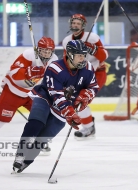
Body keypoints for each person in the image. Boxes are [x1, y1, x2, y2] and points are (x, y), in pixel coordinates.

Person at [11, 39, 99, 173]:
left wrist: (85, 96)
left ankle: (27, 161)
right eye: (80, 55)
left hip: (65, 106)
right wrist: (70, 113)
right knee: (36, 123)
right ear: (70, 54)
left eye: (84, 55)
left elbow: (94, 87)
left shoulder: (88, 68)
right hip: (46, 98)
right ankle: (21, 153)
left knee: (43, 139)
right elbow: (56, 95)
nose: (83, 58)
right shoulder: (55, 68)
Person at [0, 37, 58, 154]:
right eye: (44, 51)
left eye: (49, 51)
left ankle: (39, 142)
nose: (47, 54)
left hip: (32, 93)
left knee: (43, 118)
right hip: (13, 91)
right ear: (38, 50)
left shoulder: (54, 60)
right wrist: (30, 71)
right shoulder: (28, 55)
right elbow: (13, 73)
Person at [62, 14, 108, 140]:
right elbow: (66, 60)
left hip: (96, 74)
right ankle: (89, 127)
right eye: (74, 23)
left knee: (81, 101)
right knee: (76, 101)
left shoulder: (92, 38)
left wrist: (93, 49)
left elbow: (104, 56)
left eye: (78, 23)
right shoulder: (67, 40)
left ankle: (88, 128)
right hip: (79, 75)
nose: (75, 25)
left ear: (83, 25)